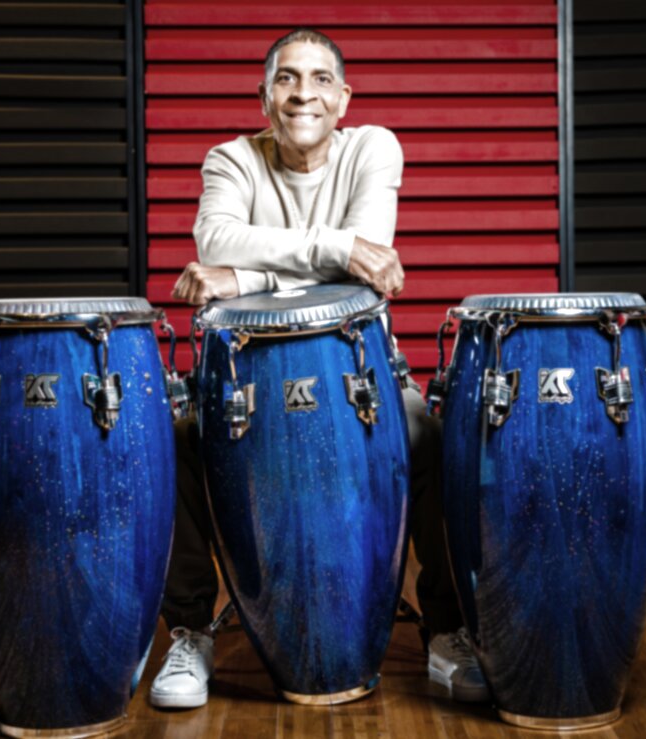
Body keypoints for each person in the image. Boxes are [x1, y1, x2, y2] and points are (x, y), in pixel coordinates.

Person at [149, 28, 486, 710]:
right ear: (264, 97)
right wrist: (339, 249)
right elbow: (216, 236)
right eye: (287, 79)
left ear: (344, 97)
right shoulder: (231, 160)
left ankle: (446, 628)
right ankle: (191, 631)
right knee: (173, 444)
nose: (304, 93)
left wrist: (245, 276)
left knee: (431, 436)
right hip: (246, 384)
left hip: (363, 380)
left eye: (320, 79)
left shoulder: (373, 147)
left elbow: (368, 267)